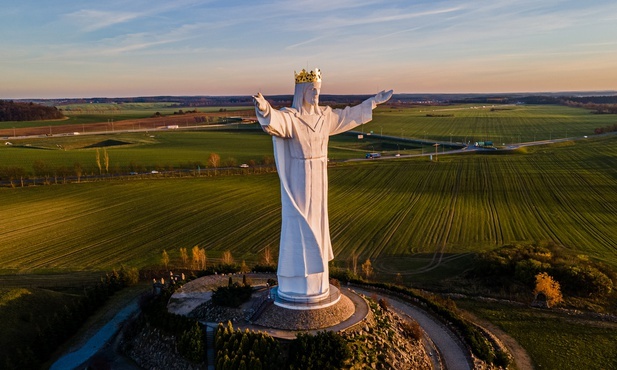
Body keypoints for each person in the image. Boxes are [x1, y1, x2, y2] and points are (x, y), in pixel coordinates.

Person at [254, 68, 392, 302]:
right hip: (299, 176)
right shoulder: (292, 117)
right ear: (302, 92)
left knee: (317, 222)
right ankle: (298, 282)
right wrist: (266, 109)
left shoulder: (325, 116)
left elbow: (348, 116)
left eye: (318, 90)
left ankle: (317, 282)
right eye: (312, 90)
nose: (316, 95)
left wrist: (373, 102)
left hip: (319, 176)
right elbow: (276, 122)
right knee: (300, 222)